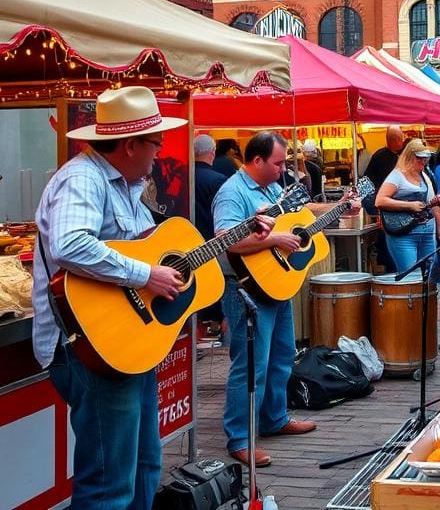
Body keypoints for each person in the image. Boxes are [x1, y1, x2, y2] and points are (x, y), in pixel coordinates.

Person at [32, 86, 190, 509]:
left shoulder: (126, 186)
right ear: (130, 144)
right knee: (108, 484)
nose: (160, 152)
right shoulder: (83, 178)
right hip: (90, 348)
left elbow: (138, 248)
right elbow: (69, 245)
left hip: (125, 345)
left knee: (142, 466)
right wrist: (147, 274)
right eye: (156, 143)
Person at [213, 131, 317, 468]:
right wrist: (274, 239)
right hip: (244, 287)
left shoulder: (272, 187)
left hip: (275, 284)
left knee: (282, 355)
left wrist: (342, 205)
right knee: (250, 364)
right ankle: (240, 438)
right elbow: (226, 239)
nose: (282, 168)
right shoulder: (232, 192)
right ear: (256, 161)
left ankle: (274, 417)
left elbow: (295, 219)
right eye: (277, 162)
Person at [374, 138, 440, 274]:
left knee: (429, 275)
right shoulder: (397, 176)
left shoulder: (424, 176)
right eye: (419, 158)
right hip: (404, 233)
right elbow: (380, 200)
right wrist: (409, 205)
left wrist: (439, 225)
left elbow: (433, 202)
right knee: (410, 275)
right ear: (409, 156)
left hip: (426, 231)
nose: (423, 161)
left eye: (426, 158)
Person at [193, 134, 227, 341]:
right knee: (214, 287)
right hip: (212, 244)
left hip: (184, 245)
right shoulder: (218, 181)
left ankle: (199, 330)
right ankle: (215, 326)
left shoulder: (182, 177)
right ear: (212, 152)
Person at [362, 125, 405, 272]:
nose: (403, 140)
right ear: (396, 140)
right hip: (382, 207)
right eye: (401, 138)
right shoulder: (383, 157)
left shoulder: (388, 155)